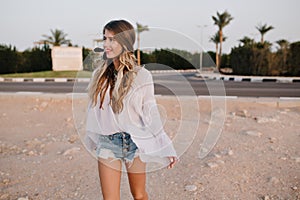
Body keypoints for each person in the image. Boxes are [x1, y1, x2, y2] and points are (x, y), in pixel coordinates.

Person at [84, 19, 178, 200]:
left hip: (134, 143)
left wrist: (166, 145)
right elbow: (93, 110)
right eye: (105, 38)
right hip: (107, 143)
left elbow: (151, 113)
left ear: (125, 42)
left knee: (139, 195)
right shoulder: (99, 76)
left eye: (112, 39)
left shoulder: (141, 76)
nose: (106, 44)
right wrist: (94, 137)